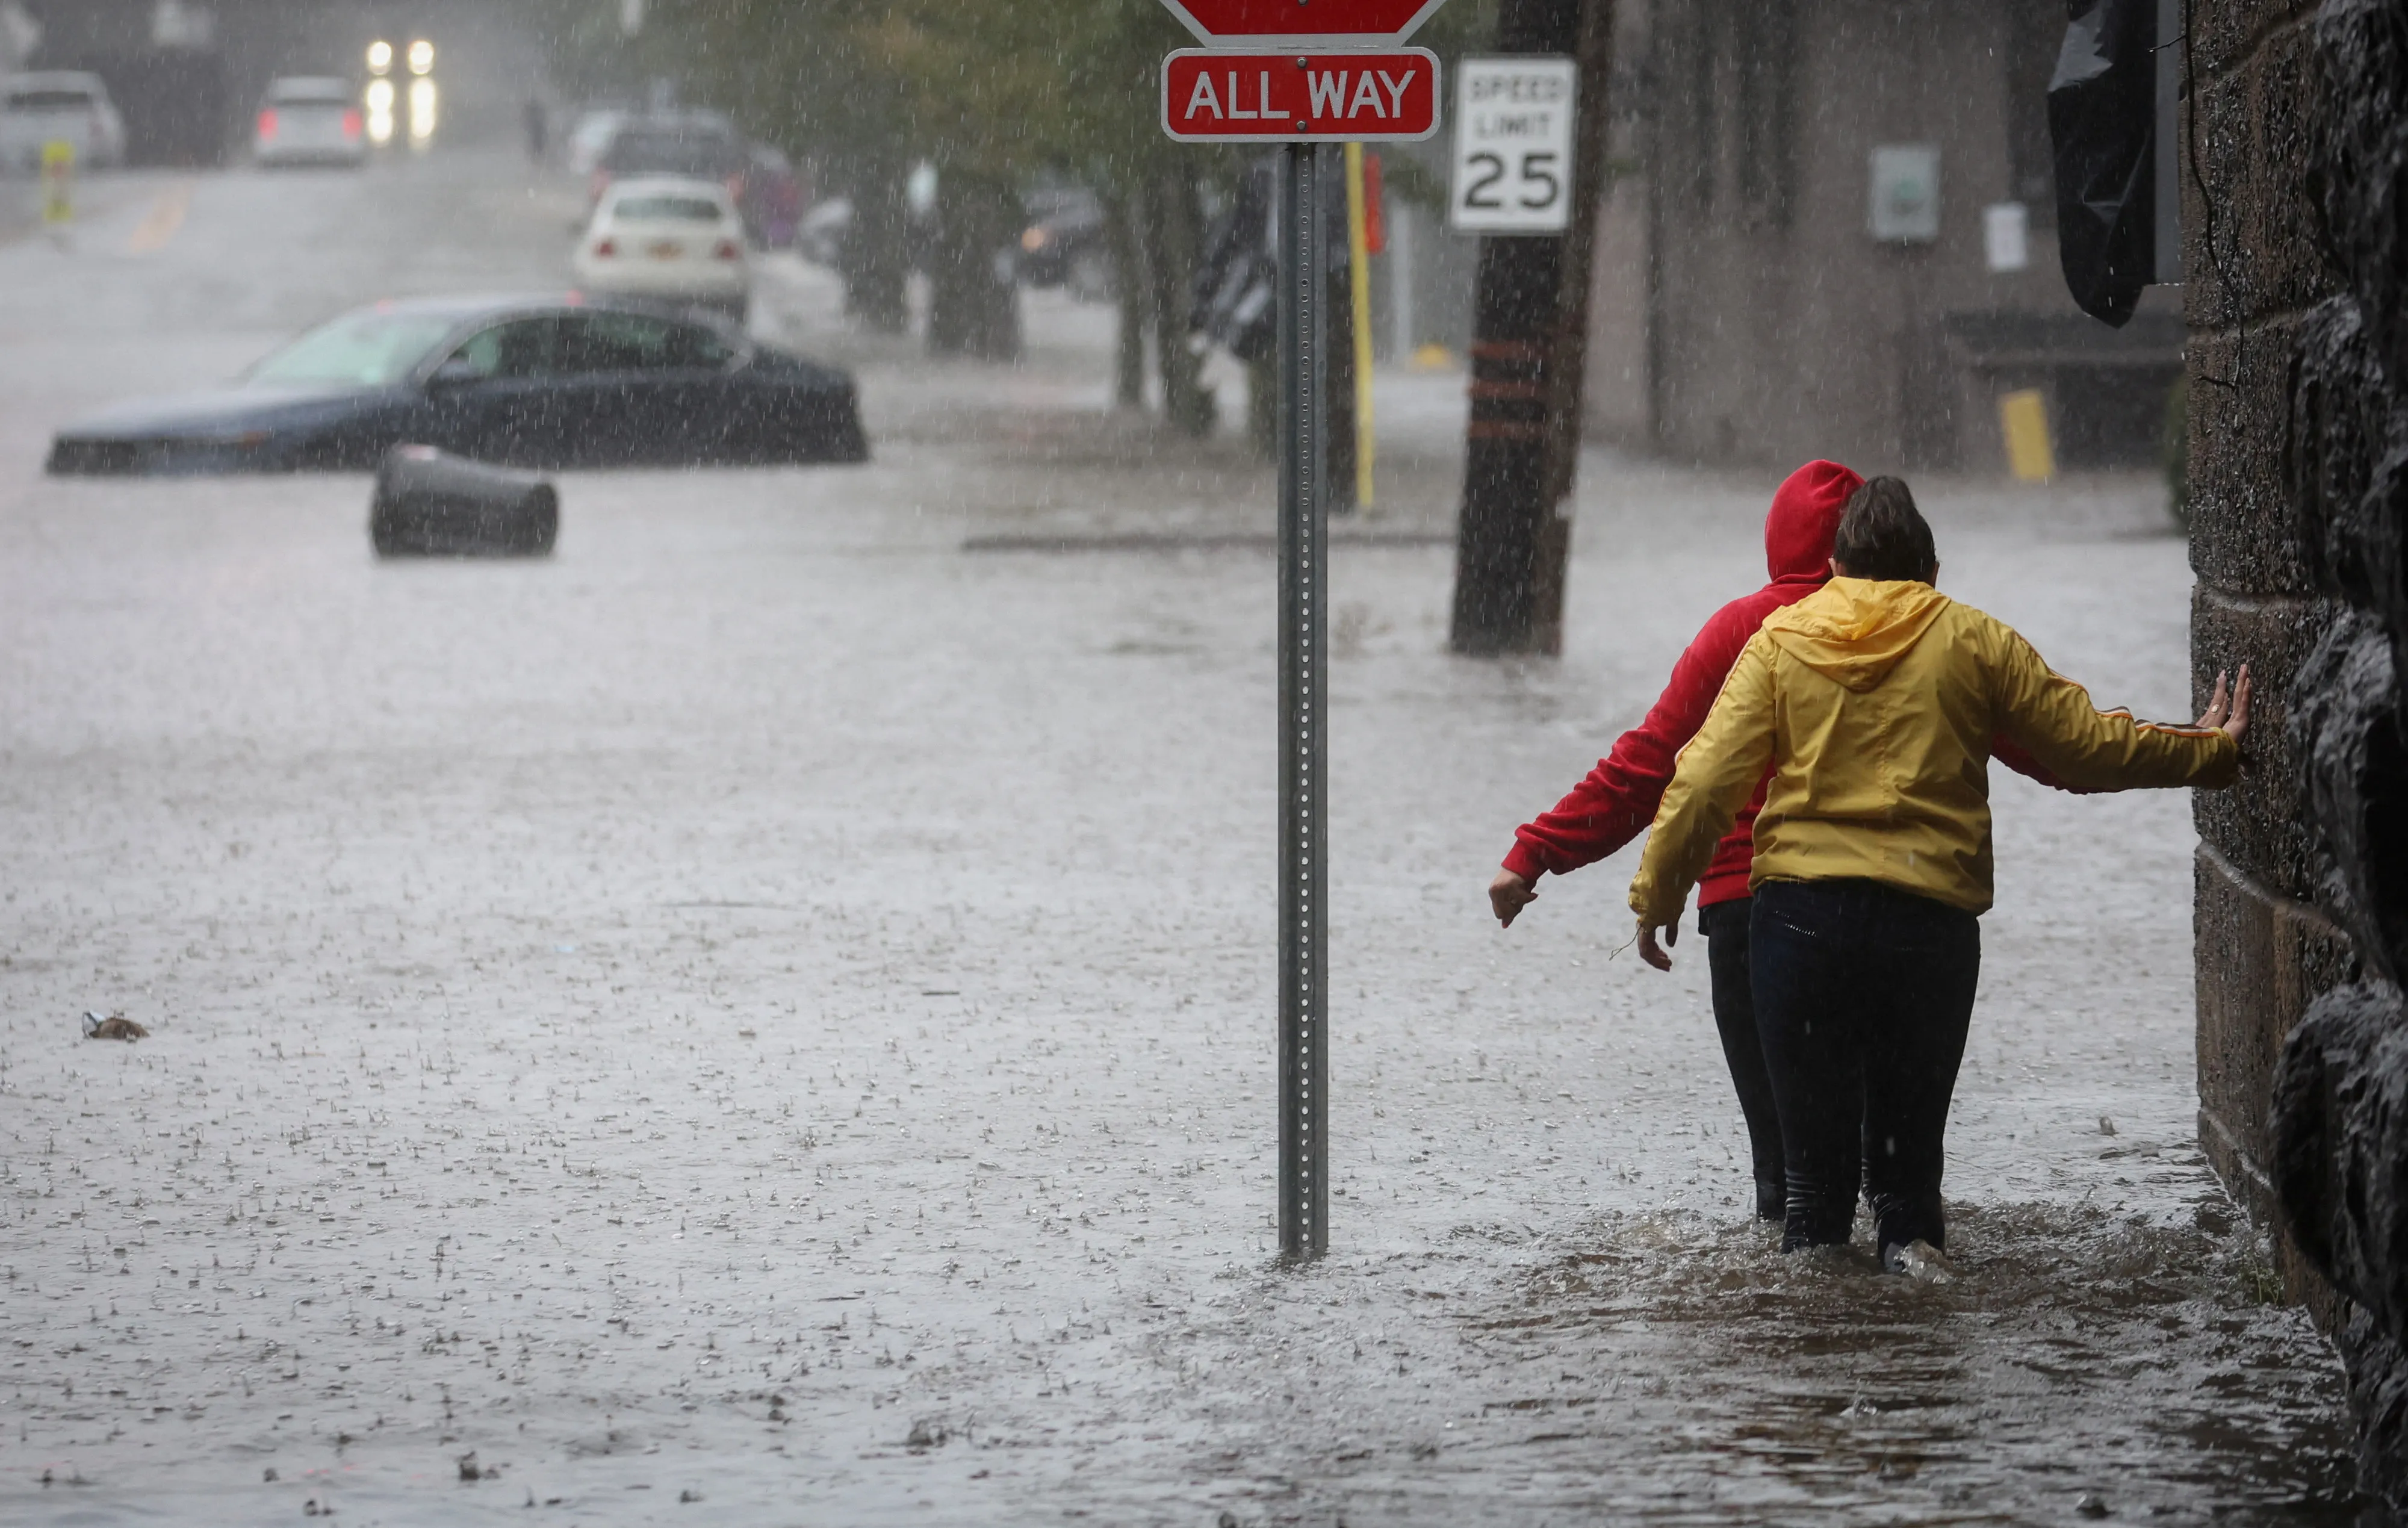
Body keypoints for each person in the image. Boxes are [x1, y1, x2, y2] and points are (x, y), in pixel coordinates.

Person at [1626, 477, 2248, 1269]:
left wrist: (1659, 891)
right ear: (1931, 566)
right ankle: (1920, 1320)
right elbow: (2085, 748)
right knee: (1907, 1190)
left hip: (1801, 931)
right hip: (1926, 931)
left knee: (1812, 1197)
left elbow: (1705, 780)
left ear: (1839, 564)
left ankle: (1804, 1342)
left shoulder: (1781, 642)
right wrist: (2209, 749)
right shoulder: (1974, 640)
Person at [1488, 459, 2070, 1222]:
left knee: (1792, 1174)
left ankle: (1795, 1324)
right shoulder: (1925, 631)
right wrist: (2197, 750)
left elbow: (1649, 769)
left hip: (1755, 923)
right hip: (1907, 912)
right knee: (1894, 1166)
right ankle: (1908, 1322)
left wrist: (1536, 853)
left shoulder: (1743, 629)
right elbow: (2045, 747)